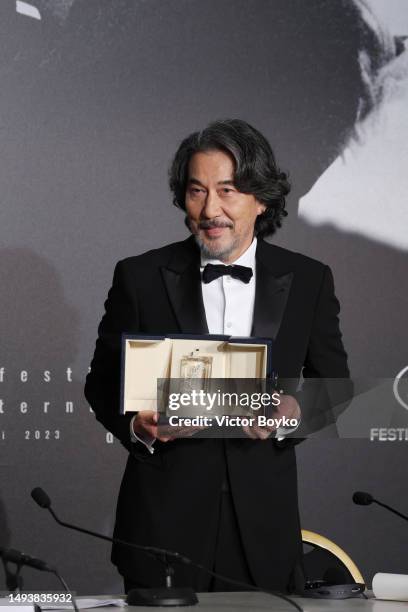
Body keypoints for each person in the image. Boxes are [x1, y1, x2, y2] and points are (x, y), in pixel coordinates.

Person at [84, 118, 351, 593]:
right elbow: (101, 383)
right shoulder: (140, 276)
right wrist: (135, 426)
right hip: (161, 526)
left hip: (263, 530)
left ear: (262, 198)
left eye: (228, 190)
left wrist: (291, 412)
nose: (211, 209)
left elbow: (335, 384)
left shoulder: (309, 279)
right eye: (196, 191)